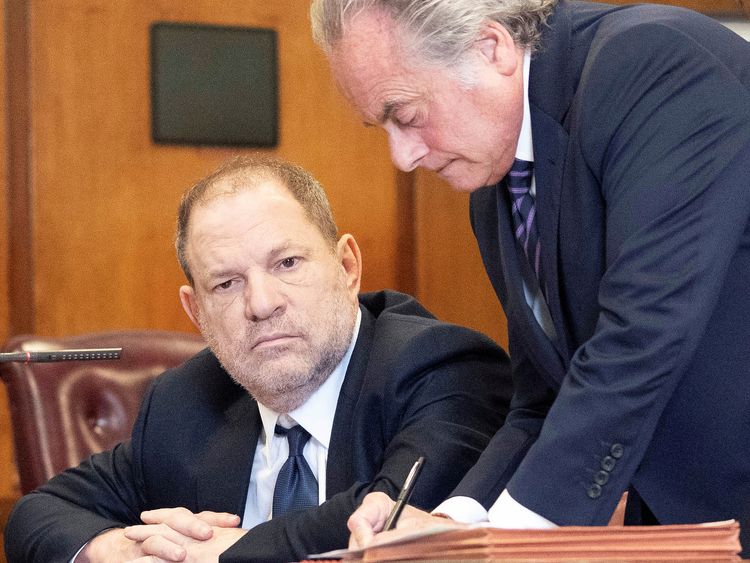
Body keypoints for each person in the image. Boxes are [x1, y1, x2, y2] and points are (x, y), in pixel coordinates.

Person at [310, 0, 750, 555]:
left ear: (490, 48)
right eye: (383, 127)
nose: (402, 156)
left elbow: (641, 339)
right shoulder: (495, 187)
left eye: (408, 115)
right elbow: (545, 396)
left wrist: (506, 540)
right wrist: (456, 523)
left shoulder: (650, 64)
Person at [3, 155, 512, 563]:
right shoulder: (185, 404)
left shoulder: (438, 366)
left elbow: (390, 515)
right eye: (226, 284)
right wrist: (112, 548)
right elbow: (39, 513)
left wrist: (232, 552)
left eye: (286, 263)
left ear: (347, 266)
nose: (262, 304)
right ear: (195, 310)